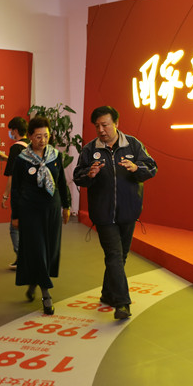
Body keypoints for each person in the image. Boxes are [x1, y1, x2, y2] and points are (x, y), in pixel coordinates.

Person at [73, 106, 157, 320]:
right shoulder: (90, 150)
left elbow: (152, 168)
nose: (101, 130)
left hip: (128, 211)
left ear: (116, 123)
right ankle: (122, 303)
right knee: (114, 255)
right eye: (97, 126)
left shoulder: (133, 145)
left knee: (121, 256)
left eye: (105, 125)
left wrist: (136, 168)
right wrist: (89, 174)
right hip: (103, 213)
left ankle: (107, 293)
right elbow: (77, 176)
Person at [10, 116, 71, 314]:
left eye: (46, 136)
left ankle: (34, 282)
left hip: (52, 208)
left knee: (50, 250)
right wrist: (15, 214)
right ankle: (46, 294)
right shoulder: (22, 159)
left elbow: (61, 182)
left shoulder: (55, 155)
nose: (43, 140)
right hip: (30, 210)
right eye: (38, 136)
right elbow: (16, 189)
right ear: (30, 136)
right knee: (37, 249)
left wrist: (66, 206)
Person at [0, 116, 29, 270]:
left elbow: (12, 175)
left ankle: (22, 258)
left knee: (15, 228)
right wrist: (6, 158)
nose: (10, 133)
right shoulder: (30, 145)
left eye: (11, 130)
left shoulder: (16, 148)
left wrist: (5, 195)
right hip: (31, 193)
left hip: (20, 194)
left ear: (15, 131)